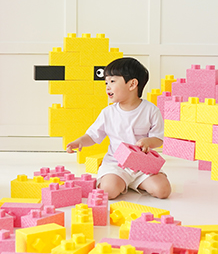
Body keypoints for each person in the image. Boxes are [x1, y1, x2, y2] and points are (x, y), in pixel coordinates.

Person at [66, 57, 171, 200]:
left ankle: (136, 183)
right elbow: (92, 135)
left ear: (132, 84)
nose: (107, 87)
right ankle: (121, 182)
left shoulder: (151, 110)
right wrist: (79, 142)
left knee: (163, 190)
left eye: (112, 81)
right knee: (108, 191)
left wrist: (148, 141)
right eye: (106, 82)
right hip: (116, 164)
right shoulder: (108, 113)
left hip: (142, 165)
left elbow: (158, 139)